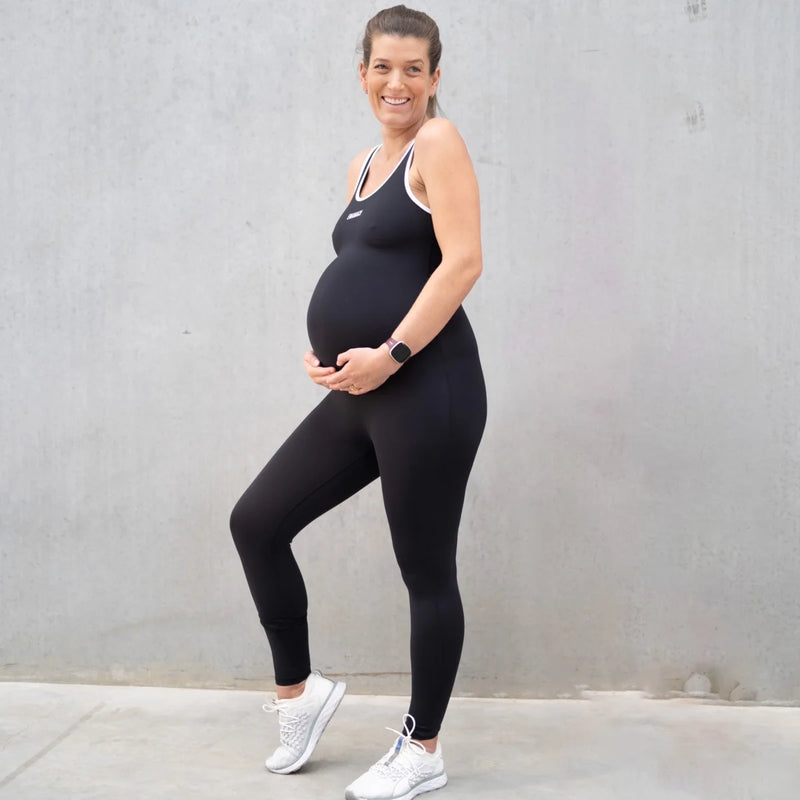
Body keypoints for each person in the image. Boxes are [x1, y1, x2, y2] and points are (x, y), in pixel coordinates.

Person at [229, 6, 486, 799]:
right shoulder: (364, 166)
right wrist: (332, 354)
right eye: (382, 67)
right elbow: (367, 272)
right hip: (362, 391)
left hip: (428, 389)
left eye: (414, 69)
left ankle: (424, 748)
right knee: (257, 522)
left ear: (435, 78)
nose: (396, 83)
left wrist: (393, 353)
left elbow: (464, 262)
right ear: (363, 72)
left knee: (426, 572)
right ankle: (300, 695)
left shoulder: (439, 143)